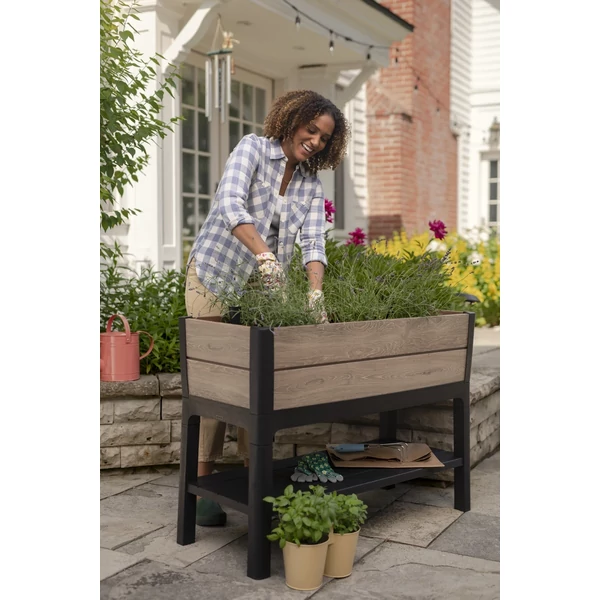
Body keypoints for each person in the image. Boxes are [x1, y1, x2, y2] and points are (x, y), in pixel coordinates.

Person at [184, 89, 351, 526]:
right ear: (292, 120)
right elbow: (229, 203)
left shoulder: (311, 185)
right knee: (218, 379)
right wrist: (264, 254)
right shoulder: (253, 149)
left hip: (261, 289)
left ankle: (252, 479)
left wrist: (315, 293)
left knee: (255, 383)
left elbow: (313, 242)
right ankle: (203, 485)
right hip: (215, 273)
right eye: (310, 129)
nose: (315, 141)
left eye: (324, 137)